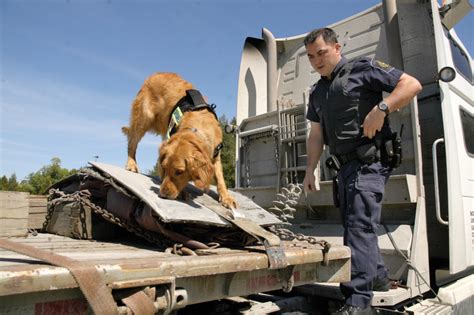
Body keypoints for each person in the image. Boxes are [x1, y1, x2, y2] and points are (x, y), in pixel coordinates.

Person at [302, 28, 422, 315]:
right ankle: (378, 278)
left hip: (369, 161)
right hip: (343, 169)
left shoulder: (363, 68)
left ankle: (358, 301)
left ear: (337, 48)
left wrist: (382, 107)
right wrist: (310, 170)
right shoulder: (317, 91)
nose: (316, 60)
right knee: (356, 225)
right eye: (310, 56)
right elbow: (316, 134)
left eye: (321, 52)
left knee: (358, 226)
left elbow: (411, 84)